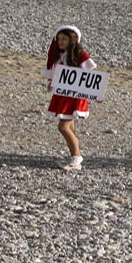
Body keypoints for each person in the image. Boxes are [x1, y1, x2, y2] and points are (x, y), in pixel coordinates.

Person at [43, 25, 95, 171]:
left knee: (63, 126)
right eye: (59, 39)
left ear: (72, 40)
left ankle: (76, 157)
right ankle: (74, 155)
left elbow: (90, 75)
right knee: (70, 125)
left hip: (73, 97)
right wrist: (51, 83)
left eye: (64, 39)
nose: (60, 42)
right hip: (63, 95)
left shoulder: (79, 55)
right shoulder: (60, 56)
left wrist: (95, 93)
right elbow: (56, 73)